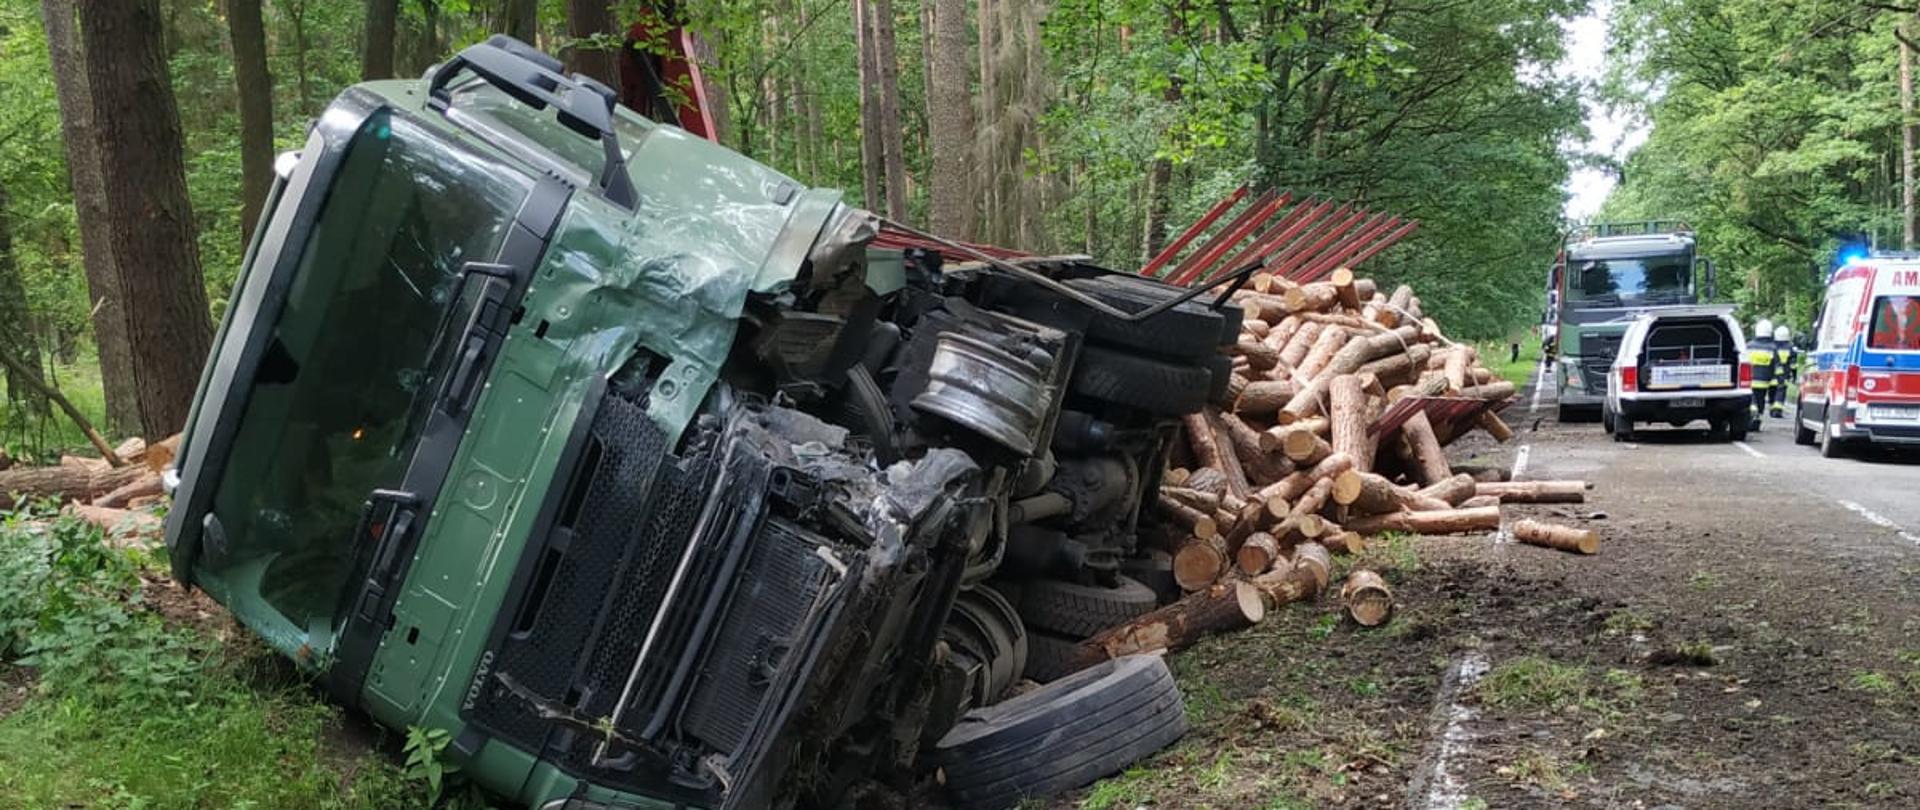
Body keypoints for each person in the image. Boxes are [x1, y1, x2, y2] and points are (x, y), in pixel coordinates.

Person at [1747, 318, 1776, 429]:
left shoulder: (1748, 346)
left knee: (1751, 401)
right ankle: (1757, 418)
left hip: (1749, 380)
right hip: (1764, 382)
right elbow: (1775, 366)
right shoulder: (1773, 348)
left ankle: (1751, 416)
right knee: (1760, 400)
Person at [1770, 325, 1798, 418]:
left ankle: (1772, 409)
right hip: (1784, 375)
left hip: (1771, 375)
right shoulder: (1791, 348)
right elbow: (1793, 365)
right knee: (1781, 392)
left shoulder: (1772, 346)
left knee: (1772, 392)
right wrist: (1794, 376)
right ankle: (1777, 410)